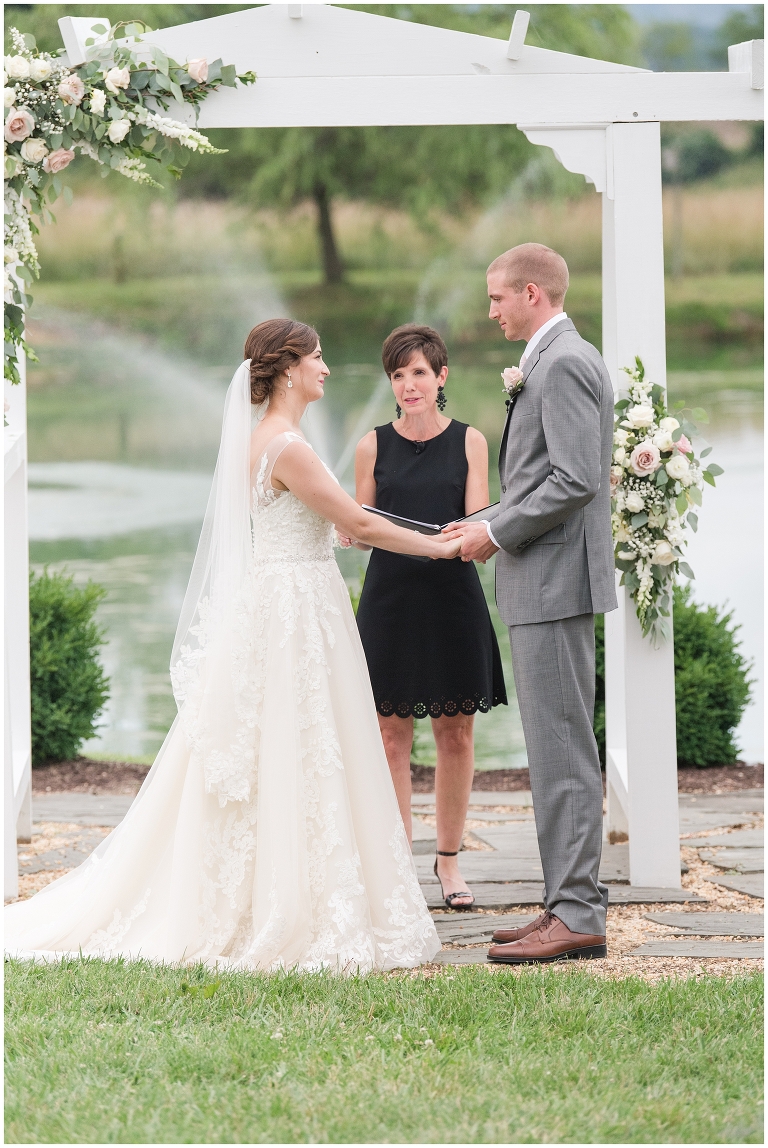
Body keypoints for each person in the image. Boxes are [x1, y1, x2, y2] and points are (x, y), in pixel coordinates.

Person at [5, 319, 464, 973]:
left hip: (287, 599)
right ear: (287, 370)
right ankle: (281, 903)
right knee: (297, 747)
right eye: (317, 356)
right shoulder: (290, 447)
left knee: (289, 751)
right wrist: (443, 547)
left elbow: (322, 524)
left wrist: (337, 533)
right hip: (294, 611)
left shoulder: (267, 441)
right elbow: (359, 520)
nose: (327, 368)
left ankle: (279, 887)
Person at [445, 243, 617, 964]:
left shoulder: (567, 362)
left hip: (554, 584)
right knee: (553, 751)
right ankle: (564, 904)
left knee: (563, 752)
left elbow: (576, 479)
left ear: (532, 293)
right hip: (543, 583)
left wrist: (496, 530)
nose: (491, 313)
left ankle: (576, 913)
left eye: (497, 299)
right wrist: (488, 520)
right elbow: (547, 474)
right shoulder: (549, 361)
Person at [348, 324, 507, 911]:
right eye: (398, 374)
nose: (408, 384)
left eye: (418, 372)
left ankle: (449, 862)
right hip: (388, 598)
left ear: (441, 377)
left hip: (451, 597)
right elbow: (363, 528)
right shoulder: (371, 445)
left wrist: (471, 531)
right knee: (389, 736)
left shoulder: (470, 442)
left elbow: (476, 521)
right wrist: (349, 532)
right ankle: (394, 866)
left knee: (456, 731)